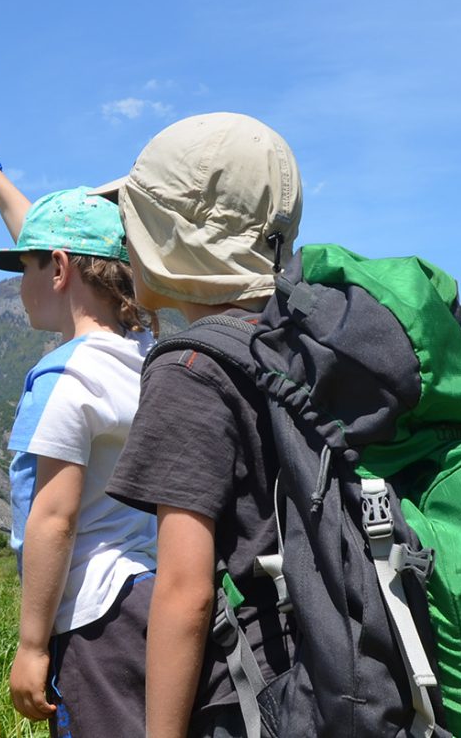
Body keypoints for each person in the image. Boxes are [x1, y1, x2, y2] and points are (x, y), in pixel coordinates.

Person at [96, 113, 304, 738]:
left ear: (172, 234)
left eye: (130, 221)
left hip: (253, 694)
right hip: (337, 672)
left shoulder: (188, 368)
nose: (122, 240)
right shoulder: (307, 340)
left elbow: (184, 594)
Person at [0, 129, 159, 737]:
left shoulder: (63, 375)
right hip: (147, 594)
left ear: (61, 270)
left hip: (91, 616)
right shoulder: (149, 356)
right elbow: (53, 239)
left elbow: (54, 519)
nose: (20, 282)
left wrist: (32, 645)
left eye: (24, 267)